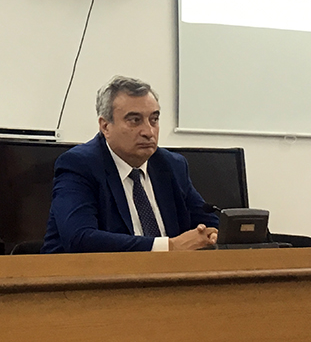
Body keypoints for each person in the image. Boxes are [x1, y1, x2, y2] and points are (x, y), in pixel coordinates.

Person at [41, 76, 218, 253]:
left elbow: (209, 222)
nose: (149, 132)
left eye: (154, 120)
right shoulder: (79, 165)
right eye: (135, 120)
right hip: (91, 269)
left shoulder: (171, 165)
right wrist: (168, 247)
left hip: (168, 270)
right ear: (105, 126)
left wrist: (210, 234)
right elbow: (80, 238)